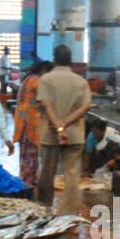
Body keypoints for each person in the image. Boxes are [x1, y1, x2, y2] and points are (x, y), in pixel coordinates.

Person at [36, 44, 92, 215]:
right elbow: (86, 106)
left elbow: (45, 105)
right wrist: (66, 124)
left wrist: (59, 127)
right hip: (74, 134)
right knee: (72, 175)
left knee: (46, 174)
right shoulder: (81, 81)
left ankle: (44, 211)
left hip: (50, 135)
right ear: (71, 61)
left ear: (54, 59)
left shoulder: (46, 79)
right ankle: (70, 215)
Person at [13, 60, 52, 187]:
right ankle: (29, 183)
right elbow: (45, 101)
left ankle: (25, 179)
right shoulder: (37, 81)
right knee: (31, 155)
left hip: (23, 121)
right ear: (43, 70)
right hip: (31, 122)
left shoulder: (28, 79)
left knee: (25, 154)